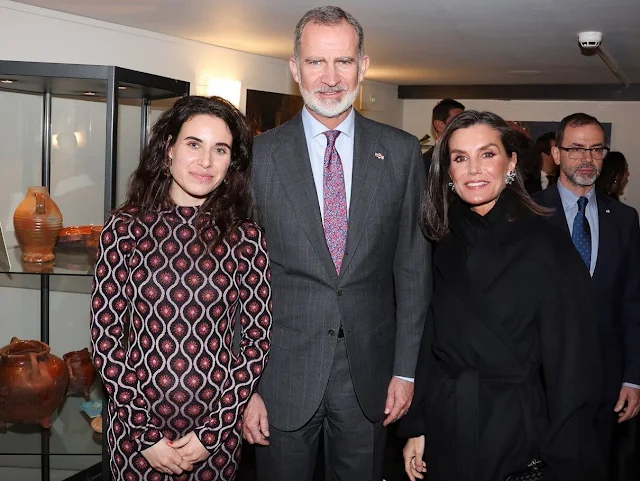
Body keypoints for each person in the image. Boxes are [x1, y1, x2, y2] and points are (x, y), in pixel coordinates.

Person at [243, 6, 431, 481]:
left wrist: (405, 372)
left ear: (363, 66)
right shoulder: (258, 156)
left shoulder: (403, 152)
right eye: (315, 62)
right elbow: (235, 279)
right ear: (294, 68)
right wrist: (243, 387)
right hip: (278, 374)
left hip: (370, 376)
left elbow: (412, 269)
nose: (329, 78)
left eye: (343, 62)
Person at [400, 110, 604, 481]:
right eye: (460, 158)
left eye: (487, 154)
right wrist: (418, 425)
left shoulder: (547, 245)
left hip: (519, 433)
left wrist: (566, 458)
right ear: (447, 171)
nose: (473, 169)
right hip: (447, 425)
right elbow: (429, 341)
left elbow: (574, 367)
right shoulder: (440, 240)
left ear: (511, 162)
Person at [90, 95, 272, 481]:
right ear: (169, 149)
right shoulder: (124, 230)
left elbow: (256, 342)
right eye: (194, 144)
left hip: (215, 437)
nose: (206, 161)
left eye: (219, 149)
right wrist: (144, 433)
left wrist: (213, 433)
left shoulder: (246, 237)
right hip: (136, 435)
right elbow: (105, 339)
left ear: (231, 162)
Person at [535, 113, 640, 480]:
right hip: (542, 380)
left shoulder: (625, 219)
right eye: (576, 148)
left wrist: (633, 377)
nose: (587, 158)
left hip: (608, 384)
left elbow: (632, 303)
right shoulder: (527, 213)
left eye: (596, 149)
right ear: (556, 153)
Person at [422, 98, 465, 173]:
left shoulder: (468, 158)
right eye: (457, 121)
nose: (464, 125)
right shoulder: (425, 163)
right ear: (439, 126)